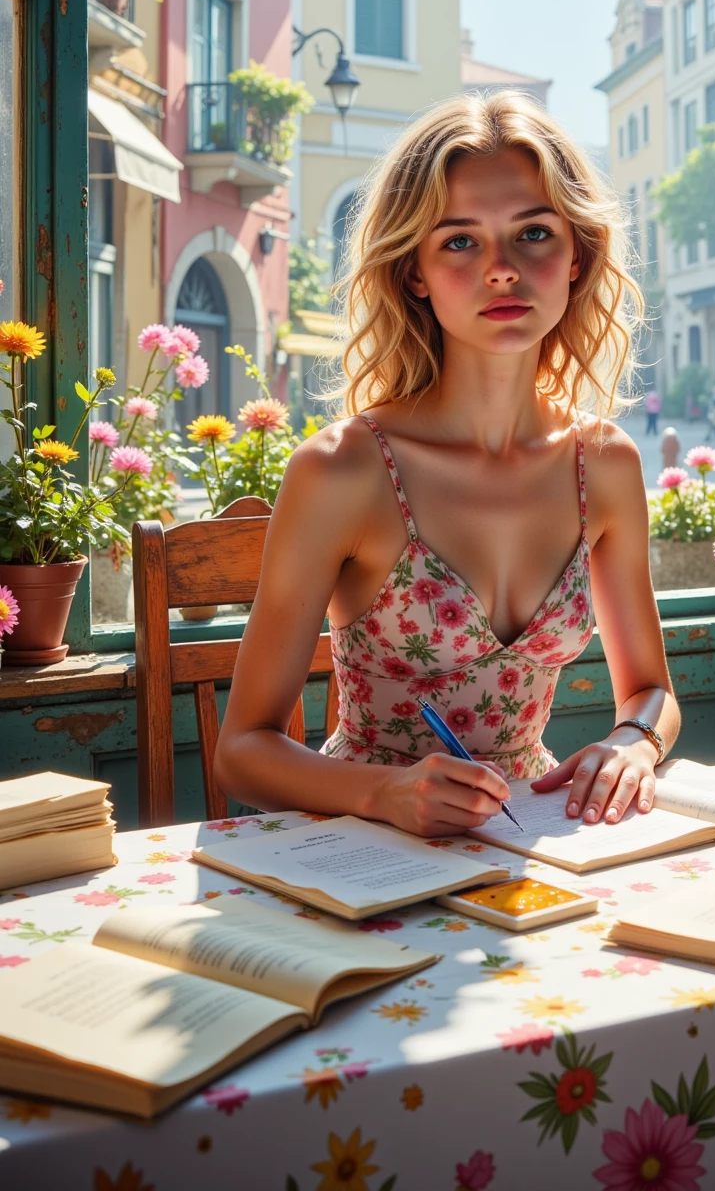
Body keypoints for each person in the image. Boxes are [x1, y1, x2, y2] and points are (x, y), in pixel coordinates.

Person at [216, 91, 681, 839]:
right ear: (414, 273)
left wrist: (636, 741)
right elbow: (241, 754)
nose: (503, 270)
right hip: (368, 851)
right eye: (461, 242)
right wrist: (384, 794)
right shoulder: (342, 472)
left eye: (533, 232)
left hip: (532, 845)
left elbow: (651, 689)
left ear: (576, 257)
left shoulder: (607, 465)